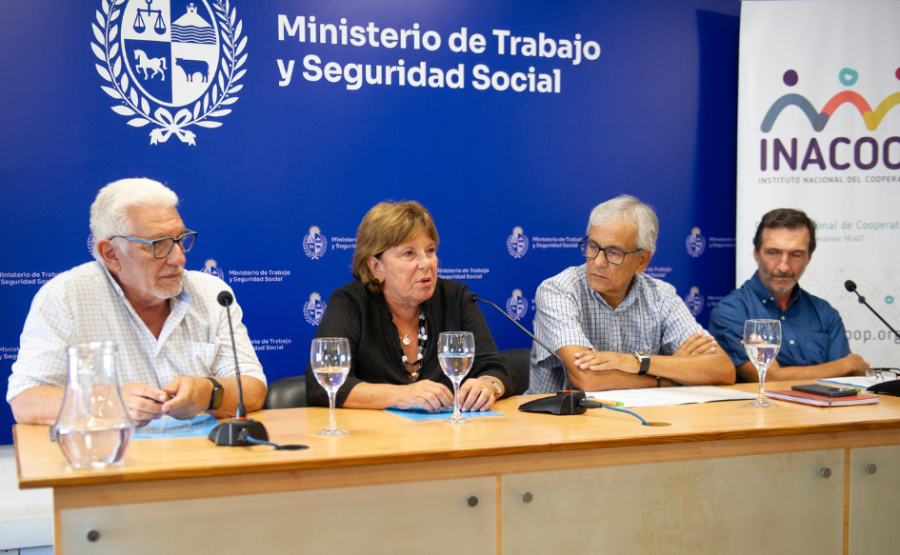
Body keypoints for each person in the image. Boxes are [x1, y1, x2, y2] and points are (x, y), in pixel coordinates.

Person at [7, 178, 267, 426]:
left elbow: (254, 389)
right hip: (111, 460)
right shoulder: (65, 297)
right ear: (110, 254)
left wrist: (209, 392)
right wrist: (109, 403)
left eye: (180, 239)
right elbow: (26, 400)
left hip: (201, 456)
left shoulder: (212, 293)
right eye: (159, 245)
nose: (179, 259)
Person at [306, 201, 517, 412]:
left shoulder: (456, 298)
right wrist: (399, 395)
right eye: (409, 253)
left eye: (430, 250)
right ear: (376, 267)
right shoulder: (350, 303)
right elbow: (321, 383)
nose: (426, 263)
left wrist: (488, 385)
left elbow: (495, 368)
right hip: (375, 438)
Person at [527, 195, 735, 393]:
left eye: (614, 253)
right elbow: (588, 379)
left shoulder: (662, 297)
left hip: (642, 421)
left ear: (642, 260)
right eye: (593, 247)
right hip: (562, 423)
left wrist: (636, 362)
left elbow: (723, 369)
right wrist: (667, 379)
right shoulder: (559, 290)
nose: (598, 262)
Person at [709, 208, 868, 382]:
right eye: (773, 253)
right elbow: (769, 379)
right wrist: (846, 365)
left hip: (824, 408)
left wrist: (843, 369)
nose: (783, 267)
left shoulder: (825, 313)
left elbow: (843, 382)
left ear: (809, 258)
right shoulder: (731, 312)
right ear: (756, 253)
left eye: (796, 255)